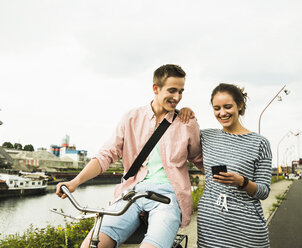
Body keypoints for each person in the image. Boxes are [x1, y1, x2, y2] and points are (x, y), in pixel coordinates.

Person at [56, 64, 203, 248]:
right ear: (155, 89)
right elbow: (106, 154)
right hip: (131, 193)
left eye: (181, 91)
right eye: (172, 90)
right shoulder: (131, 118)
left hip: (167, 198)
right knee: (91, 245)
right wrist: (75, 182)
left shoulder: (186, 123)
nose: (177, 97)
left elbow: (201, 160)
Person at [197, 83, 272, 248]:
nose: (222, 113)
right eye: (217, 108)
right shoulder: (205, 136)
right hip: (210, 225)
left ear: (240, 105)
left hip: (247, 228)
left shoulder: (260, 143)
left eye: (227, 107)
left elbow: (264, 191)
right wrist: (185, 111)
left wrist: (242, 182)